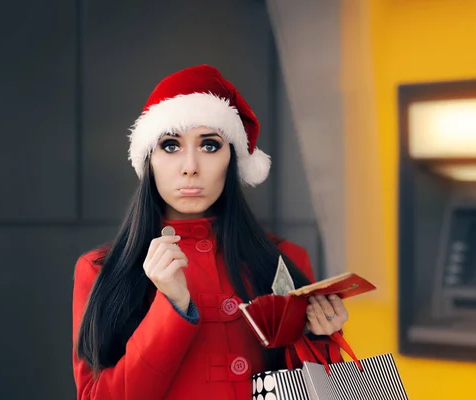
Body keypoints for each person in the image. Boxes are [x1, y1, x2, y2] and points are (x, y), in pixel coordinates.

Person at [72, 65, 349, 400]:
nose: (190, 166)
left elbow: (315, 389)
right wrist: (172, 305)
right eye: (171, 146)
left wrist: (319, 335)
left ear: (232, 159)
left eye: (210, 145)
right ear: (149, 161)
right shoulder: (102, 269)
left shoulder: (284, 260)